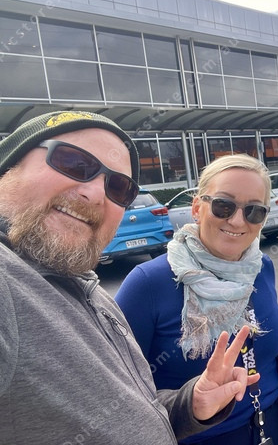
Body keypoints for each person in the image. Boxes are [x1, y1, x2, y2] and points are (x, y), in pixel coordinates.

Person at [0, 111, 259, 445]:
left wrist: (190, 403)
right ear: (8, 167)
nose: (95, 194)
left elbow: (135, 406)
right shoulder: (10, 283)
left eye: (118, 187)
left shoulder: (88, 292)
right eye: (74, 164)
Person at [114, 154, 278, 445]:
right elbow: (117, 393)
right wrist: (192, 401)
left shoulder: (261, 267)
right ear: (197, 208)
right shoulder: (148, 284)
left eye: (254, 211)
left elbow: (264, 356)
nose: (237, 220)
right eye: (223, 205)